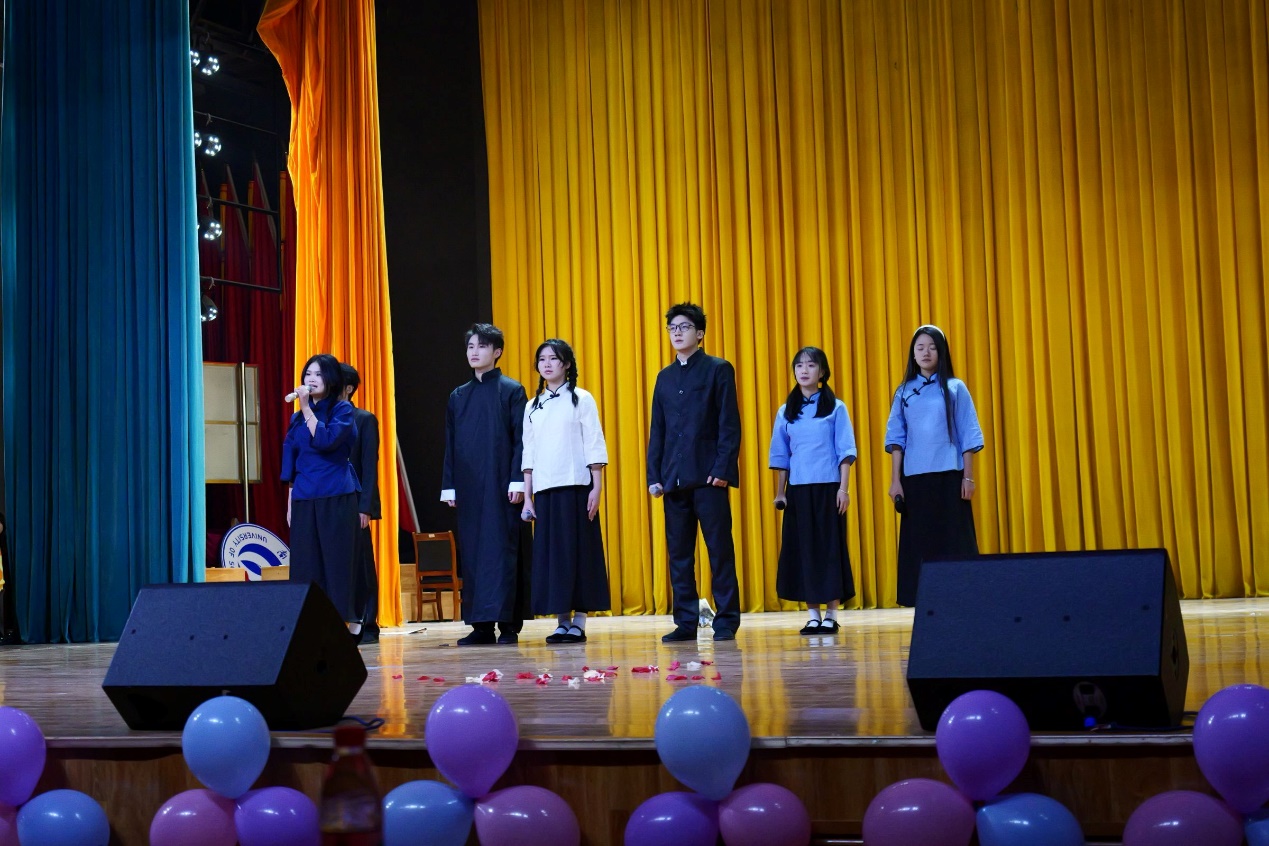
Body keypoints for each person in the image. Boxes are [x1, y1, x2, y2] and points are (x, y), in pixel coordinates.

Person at [647, 303, 742, 642]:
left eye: (684, 327)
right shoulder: (664, 377)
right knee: (679, 556)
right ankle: (686, 622)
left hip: (709, 478)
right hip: (673, 478)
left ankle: (726, 620)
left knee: (719, 551)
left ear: (699, 333)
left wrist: (722, 469)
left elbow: (729, 423)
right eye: (672, 327)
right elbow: (658, 430)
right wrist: (654, 475)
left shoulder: (718, 369)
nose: (677, 332)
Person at [441, 324, 532, 646]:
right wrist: (450, 486)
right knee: (474, 555)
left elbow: (522, 439)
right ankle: (480, 626)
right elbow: (451, 444)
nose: (474, 352)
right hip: (469, 487)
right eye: (470, 347)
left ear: (497, 352)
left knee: (503, 552)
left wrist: (518, 480)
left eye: (481, 346)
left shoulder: (511, 390)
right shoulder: (458, 395)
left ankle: (508, 625)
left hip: (502, 485)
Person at [884, 325, 984, 606]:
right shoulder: (903, 392)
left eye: (932, 347)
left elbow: (968, 434)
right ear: (913, 354)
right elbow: (895, 439)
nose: (926, 352)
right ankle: (924, 602)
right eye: (920, 347)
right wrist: (895, 481)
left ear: (941, 352)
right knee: (920, 542)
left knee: (955, 541)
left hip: (950, 476)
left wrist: (968, 477)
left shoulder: (955, 388)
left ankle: (962, 599)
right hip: (915, 479)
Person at [520, 339, 610, 645]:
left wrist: (596, 486)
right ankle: (561, 621)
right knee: (554, 557)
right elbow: (529, 453)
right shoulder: (532, 406)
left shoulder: (582, 399)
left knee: (580, 554)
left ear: (567, 364)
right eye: (542, 359)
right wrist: (528, 497)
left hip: (577, 487)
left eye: (553, 358)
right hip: (545, 490)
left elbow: (594, 442)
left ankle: (579, 622)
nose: (546, 364)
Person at [769, 347, 857, 634]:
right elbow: (781, 456)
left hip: (829, 487)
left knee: (829, 550)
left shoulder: (836, 408)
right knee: (804, 551)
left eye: (811, 365)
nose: (804, 370)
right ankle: (812, 615)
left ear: (822, 372)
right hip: (798, 490)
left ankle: (831, 613)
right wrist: (780, 492)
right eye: (799, 365)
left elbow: (845, 451)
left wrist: (843, 489)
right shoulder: (786, 411)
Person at [282, 354, 361, 630]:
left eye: (318, 374)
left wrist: (306, 408)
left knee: (336, 560)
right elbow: (291, 459)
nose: (311, 379)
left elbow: (326, 440)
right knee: (305, 563)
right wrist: (291, 500)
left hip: (335, 493)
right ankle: (309, 621)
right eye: (308, 374)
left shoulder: (343, 410)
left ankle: (345, 620)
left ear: (331, 379)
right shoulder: (296, 419)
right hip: (304, 495)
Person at [340, 364, 381, 645]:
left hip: (355, 503)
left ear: (349, 388)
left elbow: (369, 466)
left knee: (362, 564)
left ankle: (368, 623)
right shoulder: (319, 419)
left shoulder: (364, 419)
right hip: (330, 502)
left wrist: (365, 506)